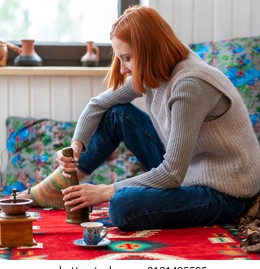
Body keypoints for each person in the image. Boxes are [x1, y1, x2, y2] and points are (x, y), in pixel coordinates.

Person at [18, 5, 260, 232]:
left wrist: (106, 190)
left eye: (127, 58)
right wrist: (76, 145)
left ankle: (76, 190)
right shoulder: (157, 67)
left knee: (122, 206)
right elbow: (98, 104)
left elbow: (172, 173)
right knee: (117, 114)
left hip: (224, 191)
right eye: (120, 58)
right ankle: (62, 184)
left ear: (149, 51)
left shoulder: (190, 85)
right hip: (189, 171)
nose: (123, 69)